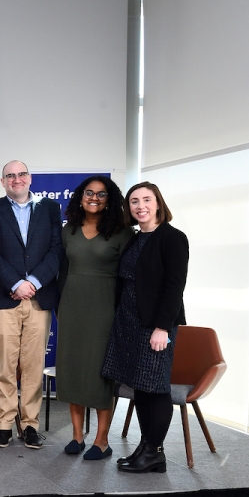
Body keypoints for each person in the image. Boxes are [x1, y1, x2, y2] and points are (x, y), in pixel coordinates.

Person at [102, 182, 189, 473]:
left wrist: (162, 328)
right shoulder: (135, 238)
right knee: (141, 386)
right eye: (134, 201)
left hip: (154, 325)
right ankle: (146, 446)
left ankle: (155, 451)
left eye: (147, 200)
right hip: (129, 322)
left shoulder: (173, 238)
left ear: (158, 203)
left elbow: (175, 287)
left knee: (156, 386)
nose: (141, 206)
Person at [0, 160, 63, 450]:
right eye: (10, 175)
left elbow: (56, 250)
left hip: (39, 297)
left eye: (21, 174)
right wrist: (16, 283)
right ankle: (3, 425)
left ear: (30, 178)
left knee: (33, 364)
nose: (17, 179)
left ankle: (29, 426)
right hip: (3, 297)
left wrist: (33, 282)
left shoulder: (50, 208)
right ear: (2, 181)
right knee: (4, 364)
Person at [55, 176, 134, 460]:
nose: (94, 198)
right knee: (73, 369)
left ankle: (101, 441)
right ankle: (77, 436)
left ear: (110, 200)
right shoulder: (69, 230)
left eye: (101, 194)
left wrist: (121, 314)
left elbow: (127, 279)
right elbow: (63, 271)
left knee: (99, 374)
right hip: (71, 305)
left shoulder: (123, 232)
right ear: (80, 196)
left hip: (104, 308)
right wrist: (60, 307)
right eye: (89, 193)